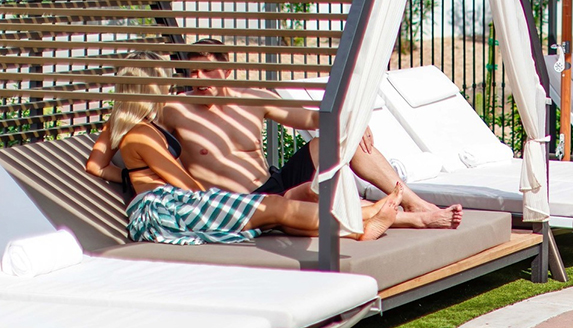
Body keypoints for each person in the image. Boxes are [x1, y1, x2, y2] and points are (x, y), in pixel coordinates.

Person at [86, 52, 401, 244]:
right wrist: (139, 178)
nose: (175, 86)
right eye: (167, 82)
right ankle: (362, 218)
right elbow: (183, 183)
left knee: (281, 208)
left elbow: (96, 166)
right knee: (276, 209)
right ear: (150, 90)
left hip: (172, 202)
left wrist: (132, 176)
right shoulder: (143, 133)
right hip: (170, 205)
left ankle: (364, 221)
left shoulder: (128, 126)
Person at [162, 39, 463, 230]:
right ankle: (414, 218)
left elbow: (311, 117)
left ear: (226, 71)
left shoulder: (252, 99)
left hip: (274, 182)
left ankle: (412, 201)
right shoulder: (174, 109)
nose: (198, 79)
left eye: (206, 70)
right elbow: (127, 125)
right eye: (192, 72)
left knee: (336, 138)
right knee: (315, 199)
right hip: (240, 200)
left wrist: (349, 123)